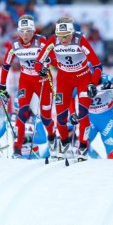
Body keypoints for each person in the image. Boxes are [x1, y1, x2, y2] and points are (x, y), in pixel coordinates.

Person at [35, 17, 102, 161]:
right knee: (60, 116)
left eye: (66, 36)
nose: (63, 40)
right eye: (60, 36)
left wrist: (93, 83)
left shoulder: (80, 40)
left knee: (83, 112)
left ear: (72, 33)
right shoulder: (53, 41)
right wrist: (40, 69)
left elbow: (97, 66)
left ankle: (83, 146)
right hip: (64, 80)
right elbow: (38, 61)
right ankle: (64, 142)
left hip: (83, 78)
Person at [0, 15, 56, 158]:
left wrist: (47, 63)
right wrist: (2, 86)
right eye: (22, 31)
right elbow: (6, 65)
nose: (25, 35)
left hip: (42, 80)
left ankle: (52, 139)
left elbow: (54, 57)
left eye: (28, 31)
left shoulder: (41, 41)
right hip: (26, 81)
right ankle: (17, 148)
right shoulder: (15, 46)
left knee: (45, 117)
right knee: (22, 112)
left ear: (33, 31)